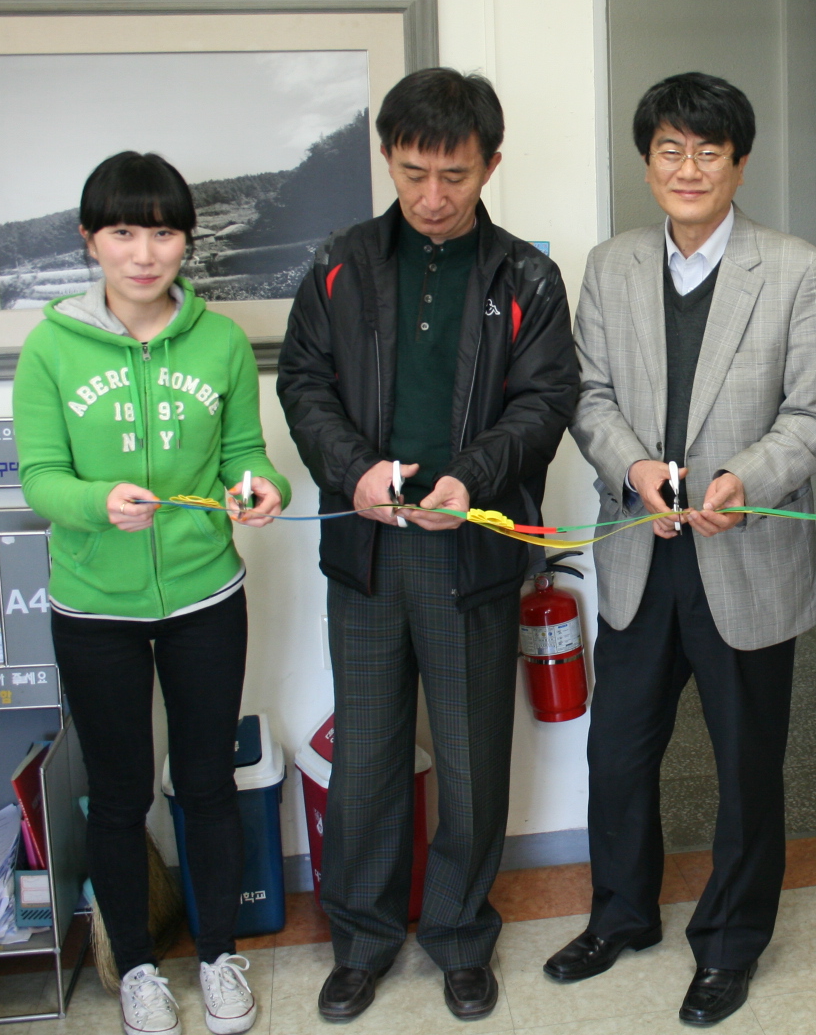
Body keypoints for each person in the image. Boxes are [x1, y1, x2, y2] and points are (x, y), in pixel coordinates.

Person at [277, 69, 579, 1023]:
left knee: (471, 761)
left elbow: (546, 399)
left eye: (455, 175)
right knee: (367, 759)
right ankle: (361, 941)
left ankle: (458, 937)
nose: (433, 197)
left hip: (469, 554)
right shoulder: (341, 265)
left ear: (491, 164)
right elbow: (302, 383)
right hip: (366, 551)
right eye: (413, 174)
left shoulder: (525, 277)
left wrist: (473, 479)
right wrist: (353, 471)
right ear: (388, 159)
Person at [553, 72, 816, 1026]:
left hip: (744, 555)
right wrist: (633, 468)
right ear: (648, 163)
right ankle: (622, 914)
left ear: (739, 163)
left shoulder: (796, 269)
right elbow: (589, 396)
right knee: (617, 755)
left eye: (708, 152)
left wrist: (744, 482)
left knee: (746, 767)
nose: (689, 169)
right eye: (670, 151)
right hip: (639, 551)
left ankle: (729, 944)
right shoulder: (612, 266)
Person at [14, 152, 288, 1035]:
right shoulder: (50, 348)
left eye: (163, 232)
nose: (144, 252)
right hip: (94, 607)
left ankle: (219, 957)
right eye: (123, 231)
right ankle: (136, 968)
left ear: (185, 242)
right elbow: (39, 478)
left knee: (207, 782)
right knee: (120, 793)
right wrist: (96, 502)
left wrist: (261, 486)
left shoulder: (219, 342)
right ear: (90, 239)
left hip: (206, 596)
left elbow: (244, 451)